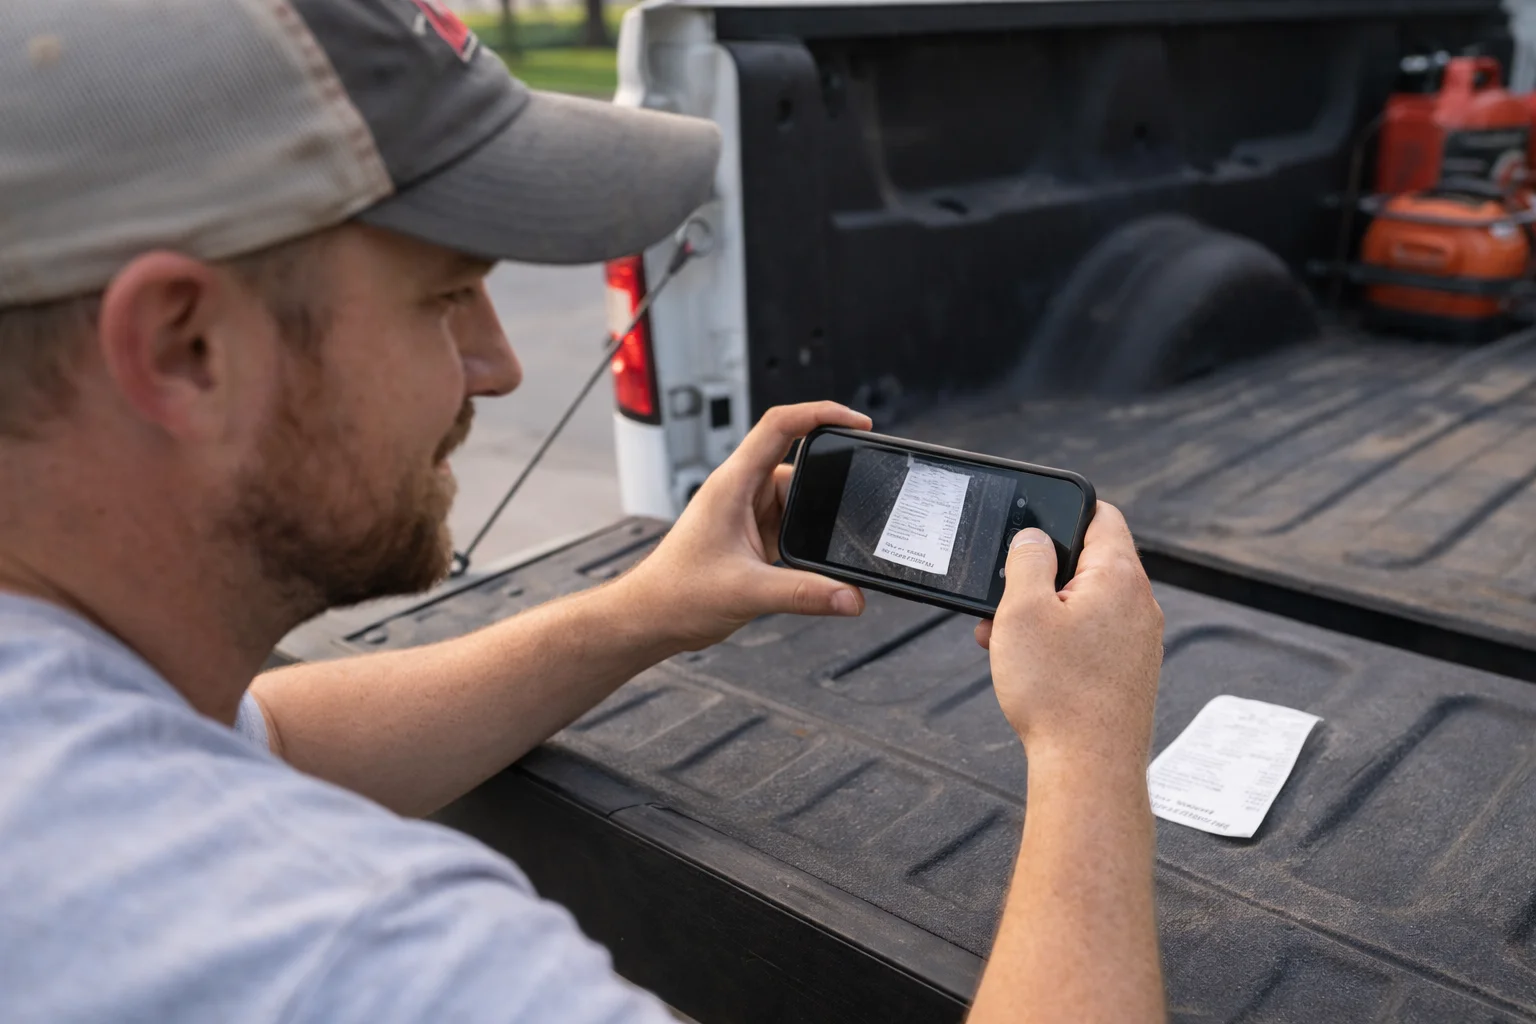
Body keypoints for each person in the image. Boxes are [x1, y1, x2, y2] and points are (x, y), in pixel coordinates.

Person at [0, 1, 1166, 1021]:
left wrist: (644, 611)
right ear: (184, 348)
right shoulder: (338, 950)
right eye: (445, 298)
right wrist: (1089, 750)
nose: (498, 365)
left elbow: (271, 743)